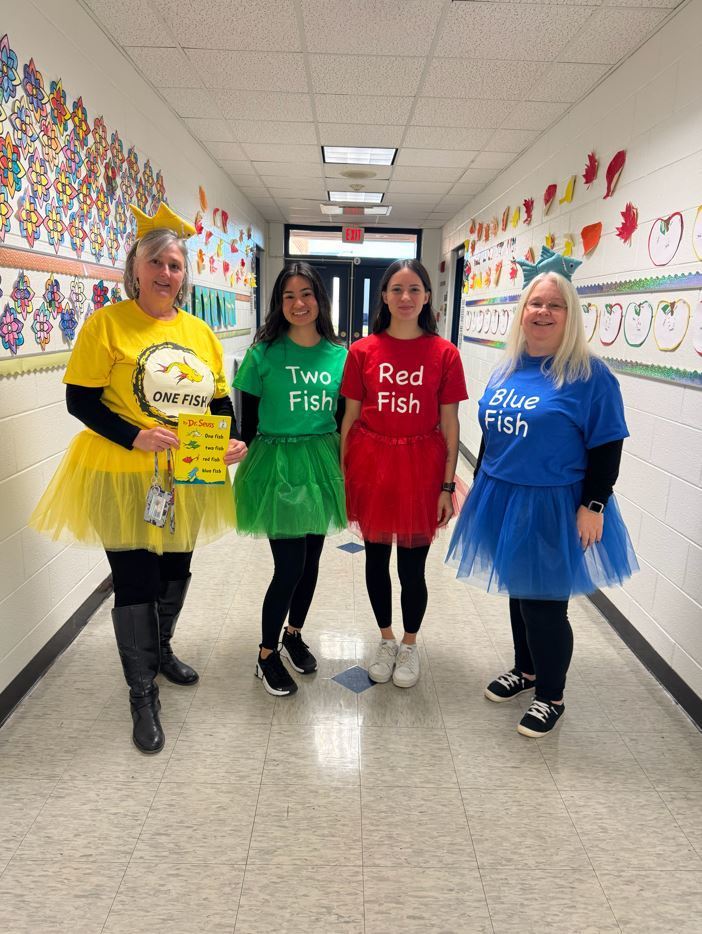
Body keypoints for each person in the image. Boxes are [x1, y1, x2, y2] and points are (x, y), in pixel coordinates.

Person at [30, 204, 247, 754]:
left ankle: (163, 649)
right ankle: (141, 692)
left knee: (176, 567)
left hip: (185, 477)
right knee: (135, 579)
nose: (166, 273)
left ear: (184, 275)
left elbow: (219, 397)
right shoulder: (106, 324)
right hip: (121, 472)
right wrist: (135, 436)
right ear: (135, 268)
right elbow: (79, 399)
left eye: (175, 264)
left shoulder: (199, 332)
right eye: (156, 261)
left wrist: (225, 439)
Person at [447, 247, 638, 737]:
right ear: (523, 311)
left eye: (555, 305)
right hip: (503, 496)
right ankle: (526, 670)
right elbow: (491, 432)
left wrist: (593, 504)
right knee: (518, 591)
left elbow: (607, 445)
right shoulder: (507, 367)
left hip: (555, 502)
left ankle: (551, 695)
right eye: (536, 303)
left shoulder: (589, 375)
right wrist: (479, 485)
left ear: (570, 315)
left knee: (544, 604)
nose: (544, 312)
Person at [340, 259, 468, 689]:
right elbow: (350, 417)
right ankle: (386, 638)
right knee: (375, 562)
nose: (406, 297)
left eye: (415, 289)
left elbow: (450, 423)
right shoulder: (362, 350)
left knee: (412, 569)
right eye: (397, 289)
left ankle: (410, 644)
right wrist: (345, 476)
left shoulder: (445, 353)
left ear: (427, 296)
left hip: (422, 468)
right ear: (384, 296)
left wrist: (447, 485)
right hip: (371, 463)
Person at [233, 262, 347, 697]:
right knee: (290, 565)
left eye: (307, 294)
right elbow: (243, 423)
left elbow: (342, 419)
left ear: (320, 298)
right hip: (276, 463)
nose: (299, 304)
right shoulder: (263, 355)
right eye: (288, 296)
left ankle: (293, 634)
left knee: (312, 562)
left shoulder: (341, 356)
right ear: (279, 304)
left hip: (321, 461)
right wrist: (230, 446)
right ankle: (266, 655)